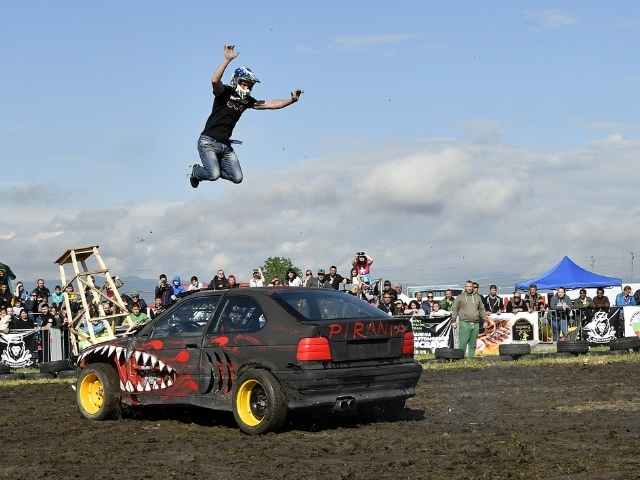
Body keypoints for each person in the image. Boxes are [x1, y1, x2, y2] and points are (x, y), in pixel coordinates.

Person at [189, 45, 304, 188]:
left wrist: (291, 101)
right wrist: (227, 60)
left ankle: (214, 167)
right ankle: (196, 171)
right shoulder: (224, 92)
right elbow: (214, 80)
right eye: (244, 84)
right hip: (208, 142)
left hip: (225, 145)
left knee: (237, 178)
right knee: (213, 175)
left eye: (250, 86)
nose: (247, 88)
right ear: (237, 81)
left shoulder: (247, 101)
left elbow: (270, 104)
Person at [451, 281, 488, 358]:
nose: (469, 288)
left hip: (475, 323)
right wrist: (453, 320)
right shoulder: (460, 297)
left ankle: (472, 357)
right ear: (465, 287)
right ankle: (461, 358)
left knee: (473, 343)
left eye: (471, 286)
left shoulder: (477, 297)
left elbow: (482, 309)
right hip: (464, 322)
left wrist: (485, 320)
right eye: (468, 286)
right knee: (463, 342)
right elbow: (455, 309)